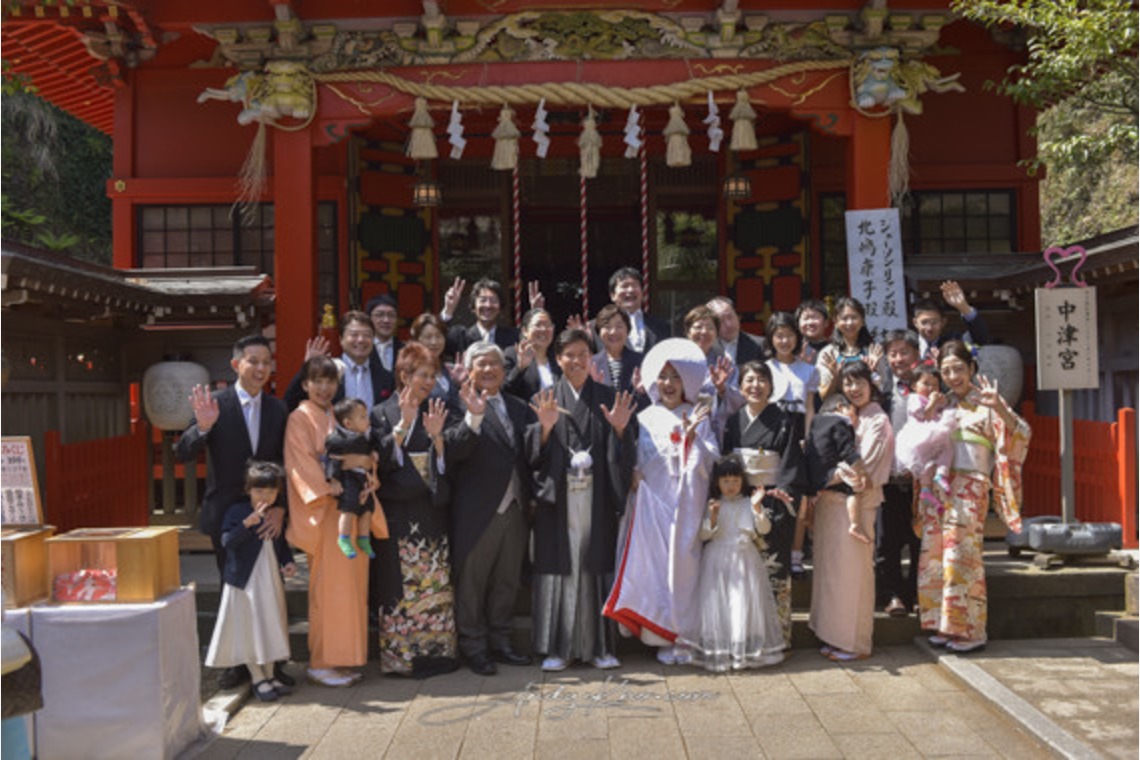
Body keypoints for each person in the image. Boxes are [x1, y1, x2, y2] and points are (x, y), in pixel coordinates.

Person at [176, 334, 289, 690]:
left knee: (271, 586)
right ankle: (238, 662)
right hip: (227, 514)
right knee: (234, 588)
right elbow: (181, 450)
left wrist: (281, 509)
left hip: (268, 513)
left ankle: (274, 660)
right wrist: (204, 427)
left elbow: (286, 462)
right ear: (236, 364)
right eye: (252, 360)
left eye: (266, 362)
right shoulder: (217, 404)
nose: (260, 368)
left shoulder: (277, 409)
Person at [605, 338, 717, 666]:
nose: (668, 384)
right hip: (650, 503)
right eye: (663, 377)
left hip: (685, 504)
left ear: (688, 382)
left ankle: (682, 634)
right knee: (652, 567)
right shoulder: (645, 416)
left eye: (676, 377)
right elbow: (634, 455)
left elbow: (712, 458)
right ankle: (655, 634)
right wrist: (634, 473)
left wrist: (694, 441)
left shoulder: (698, 415)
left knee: (683, 568)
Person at [529, 328, 636, 672]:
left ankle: (600, 647)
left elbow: (623, 454)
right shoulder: (545, 397)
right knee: (561, 569)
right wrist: (544, 430)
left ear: (592, 359)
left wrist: (620, 430)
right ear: (558, 359)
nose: (576, 361)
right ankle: (558, 648)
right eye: (569, 355)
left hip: (596, 497)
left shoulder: (606, 396)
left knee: (593, 566)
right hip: (558, 500)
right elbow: (530, 455)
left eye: (582, 355)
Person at [920, 340, 1029, 653]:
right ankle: (944, 624)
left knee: (962, 555)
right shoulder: (942, 405)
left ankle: (971, 630)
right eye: (946, 370)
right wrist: (928, 417)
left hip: (970, 485)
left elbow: (1021, 433)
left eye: (959, 369)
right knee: (936, 553)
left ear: (971, 369)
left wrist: (1000, 410)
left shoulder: (987, 403)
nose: (953, 376)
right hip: (942, 486)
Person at [285, 355, 387, 688]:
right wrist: (329, 485)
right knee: (328, 591)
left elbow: (360, 455)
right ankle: (321, 661)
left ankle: (343, 659)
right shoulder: (299, 418)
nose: (324, 388)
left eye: (330, 381)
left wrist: (368, 476)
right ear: (305, 385)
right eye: (317, 381)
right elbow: (301, 464)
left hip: (350, 508)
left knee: (351, 590)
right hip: (328, 514)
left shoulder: (335, 416)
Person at [370, 343, 469, 677]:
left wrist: (439, 439)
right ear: (404, 375)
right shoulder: (381, 412)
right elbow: (377, 463)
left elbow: (454, 457)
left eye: (432, 375)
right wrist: (401, 428)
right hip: (397, 511)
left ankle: (438, 654)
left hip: (431, 509)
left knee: (434, 583)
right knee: (395, 583)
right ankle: (400, 658)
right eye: (421, 374)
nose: (428, 381)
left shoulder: (440, 409)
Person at [448, 342, 534, 676]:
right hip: (477, 510)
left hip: (515, 507)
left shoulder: (518, 405)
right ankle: (473, 646)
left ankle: (501, 641)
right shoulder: (456, 405)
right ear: (469, 371)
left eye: (495, 364)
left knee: (506, 581)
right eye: (481, 365)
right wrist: (474, 416)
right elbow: (453, 451)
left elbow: (527, 453)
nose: (488, 370)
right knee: (472, 583)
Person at [809, 362, 894, 662]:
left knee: (852, 574)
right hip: (831, 502)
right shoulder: (844, 414)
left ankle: (854, 642)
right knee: (832, 572)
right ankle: (833, 635)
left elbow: (864, 467)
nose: (854, 389)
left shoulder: (877, 420)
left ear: (872, 384)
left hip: (857, 500)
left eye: (859, 382)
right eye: (847, 383)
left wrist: (823, 477)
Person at [721, 361, 806, 648]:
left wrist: (780, 493)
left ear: (771, 386)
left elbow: (791, 463)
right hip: (738, 501)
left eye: (761, 380)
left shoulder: (784, 420)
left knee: (773, 569)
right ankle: (743, 635)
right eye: (749, 380)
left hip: (772, 502)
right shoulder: (733, 421)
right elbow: (726, 464)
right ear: (741, 386)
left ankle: (776, 638)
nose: (755, 386)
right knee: (740, 570)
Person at [204, 461, 297, 702]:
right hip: (245, 581)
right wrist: (248, 523)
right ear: (248, 490)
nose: (264, 496)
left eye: (270, 491)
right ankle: (257, 677)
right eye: (259, 491)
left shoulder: (274, 515)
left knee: (270, 622)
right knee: (249, 627)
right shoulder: (237, 511)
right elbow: (227, 541)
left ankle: (270, 674)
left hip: (269, 578)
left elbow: (280, 544)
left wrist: (287, 561)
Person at [689, 454, 786, 672]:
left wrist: (758, 508)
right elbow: (704, 536)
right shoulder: (713, 504)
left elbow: (764, 530)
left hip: (745, 558)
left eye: (735, 481)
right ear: (717, 483)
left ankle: (743, 650)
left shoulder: (748, 503)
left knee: (742, 602)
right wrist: (712, 517)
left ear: (742, 481)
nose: (731, 486)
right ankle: (723, 649)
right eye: (725, 481)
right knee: (720, 604)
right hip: (717, 559)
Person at [878, 329, 925, 616]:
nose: (898, 359)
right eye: (892, 353)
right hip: (889, 478)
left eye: (904, 352)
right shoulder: (880, 389)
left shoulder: (929, 386)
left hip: (922, 481)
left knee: (920, 540)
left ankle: (918, 594)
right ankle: (892, 594)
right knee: (887, 541)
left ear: (916, 355)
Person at [284, 311, 393, 411]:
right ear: (341, 340)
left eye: (367, 335)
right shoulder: (328, 370)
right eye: (354, 335)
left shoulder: (385, 377)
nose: (361, 340)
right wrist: (307, 368)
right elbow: (290, 402)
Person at [325, 398, 380, 560]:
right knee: (349, 509)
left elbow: (371, 447)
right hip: (348, 478)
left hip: (363, 477)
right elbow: (333, 460)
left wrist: (373, 453)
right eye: (362, 417)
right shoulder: (337, 440)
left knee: (367, 509)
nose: (367, 420)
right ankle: (343, 537)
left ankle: (363, 539)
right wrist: (333, 480)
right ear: (348, 423)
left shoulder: (366, 435)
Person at [894, 364, 955, 507]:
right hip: (920, 434)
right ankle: (935, 478)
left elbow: (942, 408)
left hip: (931, 434)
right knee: (939, 450)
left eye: (935, 385)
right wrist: (934, 402)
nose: (931, 388)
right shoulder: (915, 398)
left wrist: (941, 401)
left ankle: (929, 486)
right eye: (926, 384)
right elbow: (924, 415)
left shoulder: (932, 398)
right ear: (915, 385)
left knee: (935, 457)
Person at [816, 297, 889, 400]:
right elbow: (823, 396)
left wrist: (873, 371)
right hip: (838, 410)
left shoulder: (873, 350)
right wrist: (836, 376)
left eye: (854, 317)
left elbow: (883, 389)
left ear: (862, 321)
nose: (849, 323)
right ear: (836, 322)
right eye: (844, 318)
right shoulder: (828, 353)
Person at [913, 280, 991, 360]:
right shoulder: (908, 343)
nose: (929, 328)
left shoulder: (954, 341)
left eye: (934, 322)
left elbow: (981, 339)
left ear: (943, 322)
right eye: (924, 322)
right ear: (915, 322)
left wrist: (964, 308)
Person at [441, 277, 520, 356]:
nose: (488, 305)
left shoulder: (514, 337)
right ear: (473, 307)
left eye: (493, 300)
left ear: (500, 308)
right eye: (483, 300)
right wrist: (448, 311)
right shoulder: (461, 337)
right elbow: (437, 338)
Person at [410, 312, 465, 412]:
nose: (434, 342)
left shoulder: (450, 370)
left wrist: (460, 384)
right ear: (417, 340)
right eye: (428, 337)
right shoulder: (411, 372)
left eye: (439, 336)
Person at [607, 266, 670, 353]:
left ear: (642, 293)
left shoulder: (661, 326)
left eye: (635, 285)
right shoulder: (595, 328)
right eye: (624, 286)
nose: (630, 290)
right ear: (612, 295)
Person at [503, 307, 561, 400]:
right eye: (538, 325)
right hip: (525, 413)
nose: (543, 329)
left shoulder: (558, 357)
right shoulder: (513, 354)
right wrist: (520, 368)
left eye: (548, 325)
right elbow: (505, 391)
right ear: (525, 331)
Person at [589, 304, 642, 395]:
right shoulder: (591, 363)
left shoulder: (641, 361)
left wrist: (640, 392)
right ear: (599, 331)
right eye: (607, 327)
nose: (613, 331)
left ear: (628, 330)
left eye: (619, 326)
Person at [707, 296, 766, 365]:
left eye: (730, 317)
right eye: (721, 320)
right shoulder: (708, 346)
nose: (729, 324)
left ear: (737, 316)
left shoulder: (759, 345)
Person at [366, 293, 403, 374]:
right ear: (369, 318)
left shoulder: (405, 350)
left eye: (391, 315)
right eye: (379, 315)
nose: (386, 320)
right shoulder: (363, 349)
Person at [795, 299, 832, 364]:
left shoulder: (835, 349)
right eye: (806, 318)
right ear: (798, 324)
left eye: (815, 318)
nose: (810, 322)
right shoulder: (793, 349)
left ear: (826, 322)